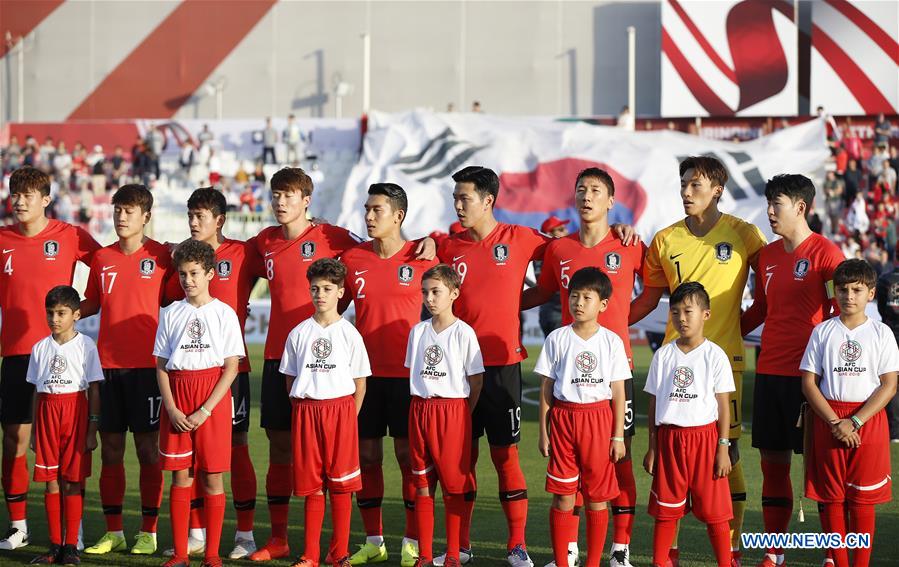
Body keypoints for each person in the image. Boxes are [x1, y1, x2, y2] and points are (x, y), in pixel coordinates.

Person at [630, 156, 766, 567]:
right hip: (674, 361)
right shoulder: (665, 239)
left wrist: (737, 327)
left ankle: (734, 545)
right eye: (683, 185)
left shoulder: (745, 234)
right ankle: (667, 552)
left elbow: (768, 291)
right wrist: (608, 327)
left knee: (729, 453)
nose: (686, 192)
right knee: (671, 458)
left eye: (695, 185)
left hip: (726, 361)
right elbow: (648, 299)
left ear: (717, 189)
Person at [523, 169, 645, 567]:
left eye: (596, 191)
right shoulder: (559, 249)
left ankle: (621, 547)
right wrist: (499, 306)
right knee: (569, 467)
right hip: (569, 378)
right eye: (581, 189)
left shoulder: (630, 245)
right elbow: (541, 291)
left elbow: (657, 287)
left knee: (618, 463)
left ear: (611, 201)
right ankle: (570, 549)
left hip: (614, 373)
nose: (586, 196)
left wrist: (625, 318)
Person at [436, 166, 551, 567]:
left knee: (506, 457)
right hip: (457, 371)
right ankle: (461, 546)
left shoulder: (520, 238)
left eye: (464, 197)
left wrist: (516, 303)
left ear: (488, 200)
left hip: (502, 367)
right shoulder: (448, 248)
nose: (458, 204)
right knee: (460, 460)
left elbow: (557, 268)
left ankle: (516, 545)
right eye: (455, 198)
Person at [247, 168, 362, 562]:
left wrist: (426, 245)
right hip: (281, 355)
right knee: (280, 449)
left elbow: (372, 252)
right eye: (276, 195)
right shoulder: (264, 241)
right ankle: (279, 538)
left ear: (306, 200)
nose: (280, 202)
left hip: (324, 362)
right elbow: (226, 256)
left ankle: (337, 548)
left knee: (333, 462)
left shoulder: (334, 238)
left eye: (289, 195)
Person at [740, 174, 844, 567]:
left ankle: (834, 555)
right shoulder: (765, 256)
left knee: (821, 470)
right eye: (768, 204)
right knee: (773, 464)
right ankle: (775, 552)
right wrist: (720, 333)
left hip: (812, 380)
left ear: (800, 208)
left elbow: (841, 312)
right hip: (769, 371)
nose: (769, 212)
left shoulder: (826, 254)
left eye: (776, 204)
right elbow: (760, 310)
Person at [0, 167, 100, 551]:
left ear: (46, 199)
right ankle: (18, 525)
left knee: (67, 445)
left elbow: (107, 262)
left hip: (64, 356)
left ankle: (71, 532)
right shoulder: (3, 239)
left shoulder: (70, 235)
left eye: (28, 195)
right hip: (17, 354)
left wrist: (81, 310)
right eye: (15, 194)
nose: (20, 201)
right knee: (15, 439)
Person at [341, 184, 437, 567]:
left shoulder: (422, 258)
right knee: (366, 456)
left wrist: (431, 240)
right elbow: (334, 302)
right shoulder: (352, 259)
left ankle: (412, 540)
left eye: (377, 209)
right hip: (363, 376)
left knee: (407, 457)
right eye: (366, 208)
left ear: (398, 216)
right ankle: (374, 540)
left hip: (408, 376)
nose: (368, 216)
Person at [167, 188, 263, 559]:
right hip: (187, 374)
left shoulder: (243, 252)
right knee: (187, 459)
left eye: (200, 215)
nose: (193, 222)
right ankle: (196, 532)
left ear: (219, 220)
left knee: (234, 451)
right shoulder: (177, 256)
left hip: (229, 370)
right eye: (190, 214)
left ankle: (245, 533)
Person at [81, 184, 177, 556]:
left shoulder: (162, 256)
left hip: (148, 369)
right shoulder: (102, 258)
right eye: (118, 210)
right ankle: (113, 531)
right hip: (107, 368)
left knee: (149, 451)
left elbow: (183, 293)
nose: (122, 217)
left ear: (146, 217)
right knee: (111, 451)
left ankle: (149, 531)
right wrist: (63, 314)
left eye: (130, 211)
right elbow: (91, 302)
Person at [800, 259, 898, 567]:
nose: (849, 295)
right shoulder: (823, 332)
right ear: (834, 292)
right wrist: (834, 422)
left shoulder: (882, 334)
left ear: (871, 293)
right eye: (842, 289)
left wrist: (854, 421)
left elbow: (889, 386)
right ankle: (839, 561)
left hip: (866, 421)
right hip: (829, 420)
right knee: (832, 500)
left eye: (857, 289)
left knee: (862, 501)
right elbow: (808, 383)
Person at [154, 239, 245, 567]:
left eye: (194, 273)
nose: (187, 280)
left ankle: (211, 555)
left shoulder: (224, 313)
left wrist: (206, 409)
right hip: (177, 397)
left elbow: (231, 367)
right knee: (180, 477)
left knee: (212, 477)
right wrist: (172, 408)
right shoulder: (170, 312)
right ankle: (180, 553)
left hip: (212, 398)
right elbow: (162, 366)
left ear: (210, 273)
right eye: (182, 273)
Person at [536, 267, 630, 567]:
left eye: (587, 297)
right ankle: (562, 562)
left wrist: (617, 436)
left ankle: (592, 563)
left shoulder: (611, 342)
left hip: (598, 421)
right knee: (563, 496)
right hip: (564, 420)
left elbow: (618, 393)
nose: (578, 302)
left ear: (602, 304)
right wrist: (543, 431)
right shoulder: (557, 338)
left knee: (597, 496)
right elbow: (547, 388)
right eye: (574, 296)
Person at [280, 258, 371, 567]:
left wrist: (349, 417)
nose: (320, 294)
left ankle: (339, 553)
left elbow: (360, 382)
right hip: (307, 412)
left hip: (341, 412)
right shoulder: (298, 333)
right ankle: (310, 555)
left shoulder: (350, 333)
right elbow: (290, 378)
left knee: (341, 485)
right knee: (312, 486)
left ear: (340, 292)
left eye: (328, 288)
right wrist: (304, 409)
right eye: (315, 288)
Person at [643, 282, 735, 567]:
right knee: (666, 511)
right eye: (675, 312)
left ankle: (725, 562)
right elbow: (654, 404)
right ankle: (661, 562)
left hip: (705, 441)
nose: (681, 318)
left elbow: (723, 406)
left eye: (688, 311)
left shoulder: (715, 355)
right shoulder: (663, 355)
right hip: (670, 440)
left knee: (715, 513)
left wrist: (723, 447)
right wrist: (653, 448)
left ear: (705, 314)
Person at [405, 264, 484, 567]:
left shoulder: (464, 333)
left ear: (454, 293)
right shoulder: (418, 332)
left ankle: (453, 553)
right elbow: (414, 373)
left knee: (454, 486)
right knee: (422, 484)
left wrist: (462, 413)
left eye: (436, 292)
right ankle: (425, 555)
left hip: (452, 411)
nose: (429, 298)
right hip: (420, 409)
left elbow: (475, 381)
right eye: (425, 292)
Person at [26, 286, 103, 565]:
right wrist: (34, 430)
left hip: (75, 411)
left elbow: (94, 389)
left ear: (77, 315)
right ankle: (55, 546)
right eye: (50, 313)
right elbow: (36, 391)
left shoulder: (86, 346)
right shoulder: (39, 348)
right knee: (50, 482)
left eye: (61, 313)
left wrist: (92, 429)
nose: (54, 319)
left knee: (71, 481)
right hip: (47, 412)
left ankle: (71, 545)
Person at [875, 249, 899, 443]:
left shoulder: (885, 279)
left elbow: (882, 309)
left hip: (890, 336)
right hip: (890, 335)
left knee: (891, 384)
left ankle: (894, 432)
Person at [535, 216, 569, 339]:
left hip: (553, 312)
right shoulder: (545, 253)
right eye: (560, 229)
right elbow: (547, 287)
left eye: (565, 228)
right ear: (549, 234)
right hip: (555, 312)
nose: (566, 232)